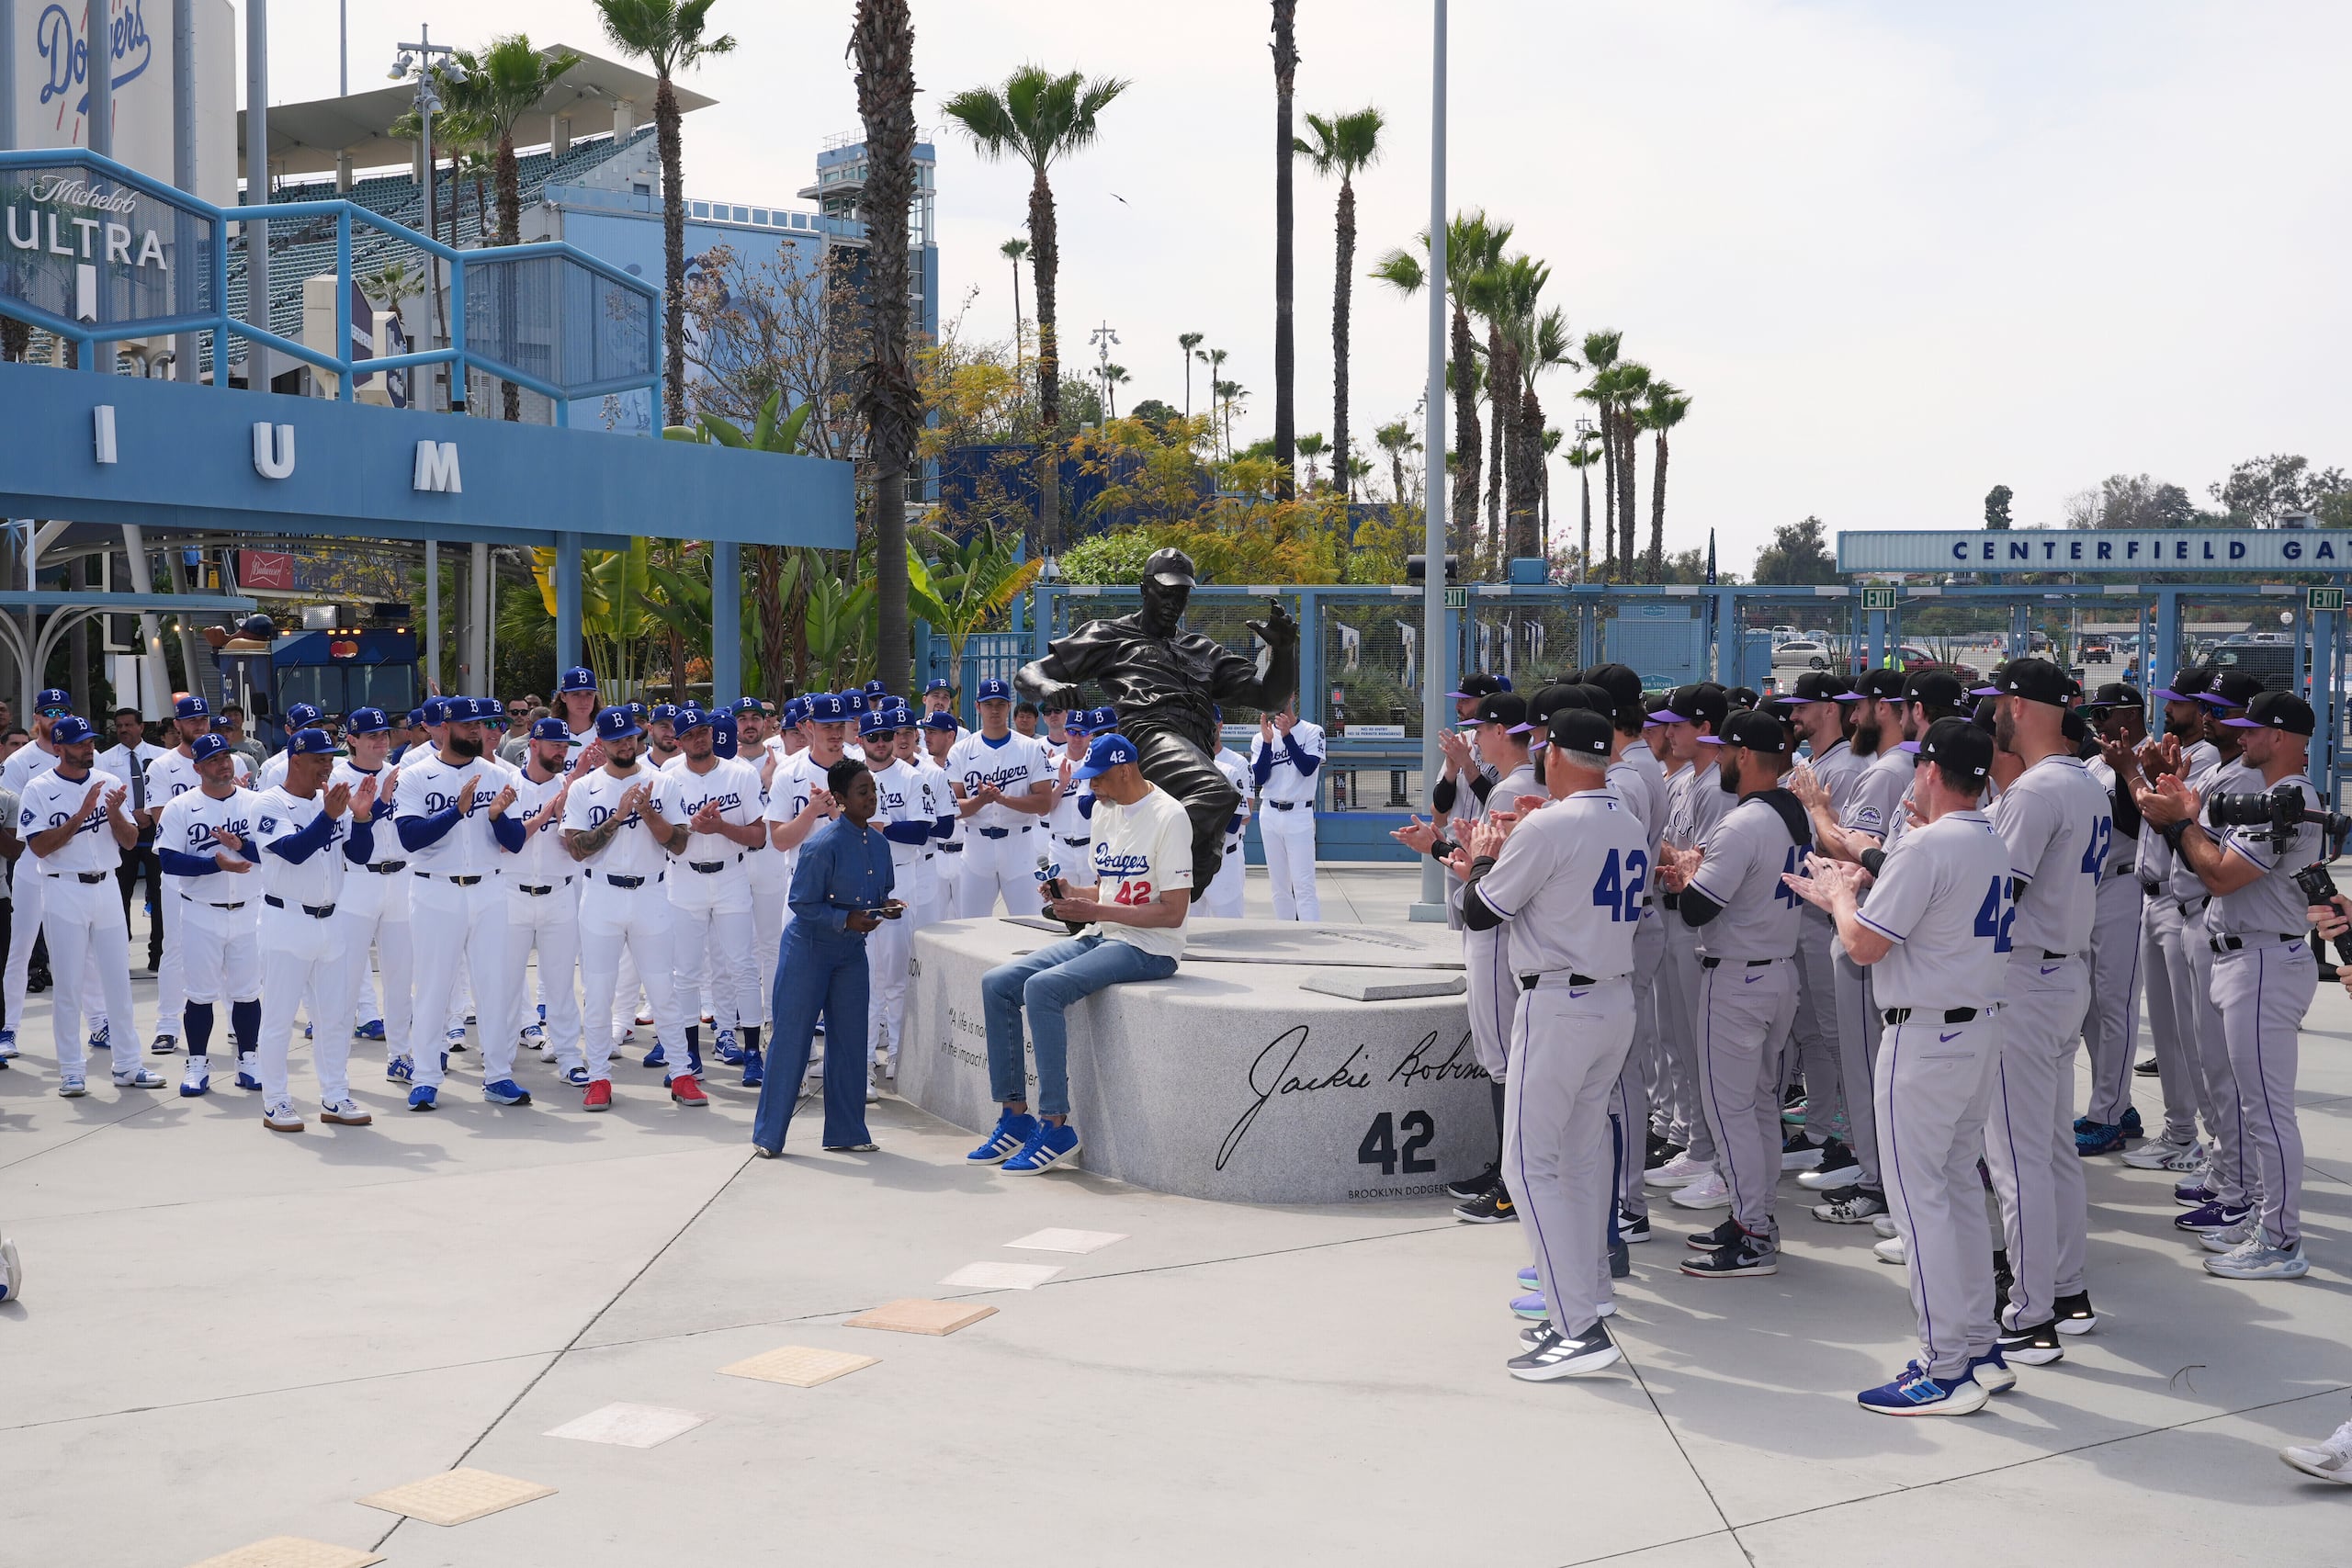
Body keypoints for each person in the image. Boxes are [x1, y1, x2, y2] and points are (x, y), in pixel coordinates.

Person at [1787, 716, 2016, 1415]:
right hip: (1975, 1030)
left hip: (1924, 1039)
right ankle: (1978, 1345)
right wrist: (1860, 883)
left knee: (1922, 1209)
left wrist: (1840, 896)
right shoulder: (1989, 835)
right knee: (1954, 1195)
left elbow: (1863, 946)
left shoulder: (1927, 844)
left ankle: (1945, 1366)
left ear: (1931, 771)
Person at [1444, 706, 1645, 1379]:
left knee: (1528, 1167)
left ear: (1556, 754)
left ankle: (1577, 1328)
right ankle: (1590, 1295)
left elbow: (1481, 910)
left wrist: (1482, 855)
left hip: (1561, 1004)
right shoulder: (1627, 819)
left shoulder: (1554, 825)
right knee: (1581, 1161)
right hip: (1613, 996)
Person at [2138, 689, 2323, 1280]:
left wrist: (2182, 822)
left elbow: (2219, 875)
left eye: (2255, 729)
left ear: (2283, 737)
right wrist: (2185, 814)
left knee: (2267, 1112)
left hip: (2266, 959)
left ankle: (2282, 1240)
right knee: (2253, 1105)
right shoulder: (2270, 795)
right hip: (2246, 958)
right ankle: (2266, 1221)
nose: (2242, 737)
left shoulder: (2290, 797)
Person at [967, 730, 1192, 1177]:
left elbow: (1173, 912)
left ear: (1125, 769)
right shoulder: (1106, 812)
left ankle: (1055, 1124)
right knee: (997, 984)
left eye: (1098, 778)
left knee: (1043, 988)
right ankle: (1015, 1117)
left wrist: (1096, 908)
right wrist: (1071, 893)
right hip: (1103, 932)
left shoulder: (1170, 816)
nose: (1091, 787)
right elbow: (1108, 889)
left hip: (1150, 947)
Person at [1015, 548, 1298, 903]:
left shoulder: (1201, 649)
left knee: (1203, 846)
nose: (1173, 602)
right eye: (1165, 592)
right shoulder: (1111, 635)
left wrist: (1285, 651)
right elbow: (1029, 673)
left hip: (1193, 747)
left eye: (1181, 594)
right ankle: (1135, 883)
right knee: (1217, 793)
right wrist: (1050, 687)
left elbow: (1271, 698)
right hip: (1149, 735)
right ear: (1144, 589)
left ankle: (1114, 896)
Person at [1978, 657, 2109, 1363]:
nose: (1995, 707)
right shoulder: (2081, 780)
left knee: (2016, 1156)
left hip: (2027, 980)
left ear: (2022, 705)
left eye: (2000, 696)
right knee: (2052, 1148)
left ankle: (2031, 1317)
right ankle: (2066, 1290)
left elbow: (1998, 896)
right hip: (2065, 973)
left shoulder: (2034, 791)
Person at [1655, 707, 1809, 1278]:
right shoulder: (1791, 812)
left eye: (1725, 749)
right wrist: (1697, 874)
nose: (1716, 757)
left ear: (1745, 756)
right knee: (1760, 1107)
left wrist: (1690, 875)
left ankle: (1754, 1234)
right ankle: (1756, 1218)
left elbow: (1697, 909)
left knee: (1732, 1113)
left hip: (1740, 977)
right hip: (1776, 971)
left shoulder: (1744, 822)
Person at [754, 757, 899, 1156]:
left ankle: (847, 1131)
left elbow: (880, 892)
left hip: (851, 954)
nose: (871, 798)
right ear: (839, 799)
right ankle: (768, 1136)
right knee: (791, 1041)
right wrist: (845, 918)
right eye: (862, 792)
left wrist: (887, 907)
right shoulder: (821, 845)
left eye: (872, 789)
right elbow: (801, 902)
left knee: (852, 1040)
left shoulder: (880, 843)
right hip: (809, 952)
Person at [564, 704, 702, 1110]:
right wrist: (617, 817)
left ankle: (681, 1074)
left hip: (651, 893)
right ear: (602, 743)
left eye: (631, 737)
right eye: (617, 739)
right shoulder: (583, 787)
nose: (626, 744)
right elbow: (576, 849)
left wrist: (646, 811)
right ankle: (599, 1078)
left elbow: (678, 843)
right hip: (602, 894)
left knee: (663, 989)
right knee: (598, 990)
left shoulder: (662, 782)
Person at [394, 695, 526, 1112]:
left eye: (482, 724)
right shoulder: (414, 775)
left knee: (494, 985)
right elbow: (410, 839)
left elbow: (516, 842)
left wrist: (496, 817)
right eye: (469, 724)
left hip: (488, 888)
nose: (477, 731)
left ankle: (499, 1076)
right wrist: (457, 811)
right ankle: (426, 1078)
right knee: (433, 987)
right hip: (435, 889)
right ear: (445, 727)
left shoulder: (499, 773)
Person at [2120, 668, 2223, 1176]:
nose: (2170, 711)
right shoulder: (2181, 753)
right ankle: (2181, 1131)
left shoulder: (2204, 760)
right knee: (2167, 1032)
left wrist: (2135, 775)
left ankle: (2205, 1143)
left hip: (2188, 902)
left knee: (2192, 1038)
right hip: (2155, 899)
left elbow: (2171, 822)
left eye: (2179, 703)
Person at [251, 729, 377, 1133]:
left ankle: (335, 1095)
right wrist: (331, 816)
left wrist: (361, 818)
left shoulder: (331, 803)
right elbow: (294, 851)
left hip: (331, 920)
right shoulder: (270, 802)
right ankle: (275, 1102)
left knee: (335, 1017)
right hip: (285, 919)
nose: (328, 765)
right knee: (278, 1016)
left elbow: (358, 856)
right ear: (296, 759)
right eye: (320, 758)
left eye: (330, 757)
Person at [20, 716, 151, 1095]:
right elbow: (40, 846)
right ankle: (72, 1071)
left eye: (90, 741)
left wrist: (112, 813)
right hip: (63, 889)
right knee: (69, 985)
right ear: (59, 748)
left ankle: (128, 1064)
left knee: (118, 981)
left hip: (106, 886)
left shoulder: (108, 782)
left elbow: (129, 843)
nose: (88, 747)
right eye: (79, 743)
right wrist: (81, 815)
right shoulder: (39, 788)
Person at [1642, 683, 1733, 1208]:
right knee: (1678, 1042)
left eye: (1678, 723)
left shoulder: (1716, 784)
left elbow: (1705, 869)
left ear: (1704, 728)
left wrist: (1669, 857)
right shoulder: (1687, 779)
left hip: (1700, 928)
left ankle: (1711, 1153)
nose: (1668, 731)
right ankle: (1696, 1143)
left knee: (1702, 1049)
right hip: (1677, 921)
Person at [1774, 671, 1862, 1168]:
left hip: (1834, 916)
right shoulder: (1810, 764)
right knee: (1814, 1033)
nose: (1794, 716)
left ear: (1830, 708)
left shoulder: (1850, 765)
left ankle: (1849, 1141)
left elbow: (1845, 846)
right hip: (1806, 912)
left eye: (1803, 707)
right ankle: (1822, 1131)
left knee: (1837, 1035)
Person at [657, 705, 766, 1086]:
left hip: (731, 875)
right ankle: (689, 1055)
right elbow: (664, 839)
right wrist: (692, 828)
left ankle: (752, 1051)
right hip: (684, 879)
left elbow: (758, 836)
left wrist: (719, 827)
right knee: (684, 972)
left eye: (702, 731)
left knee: (743, 966)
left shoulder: (740, 773)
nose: (698, 739)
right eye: (689, 735)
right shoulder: (667, 776)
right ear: (679, 741)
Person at [142, 695, 254, 1058]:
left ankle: (240, 1030)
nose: (200, 724)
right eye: (192, 719)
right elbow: (163, 821)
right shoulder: (163, 766)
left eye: (205, 718)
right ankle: (167, 1025)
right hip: (185, 880)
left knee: (237, 960)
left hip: (237, 883)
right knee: (175, 951)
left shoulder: (237, 769)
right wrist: (210, 851)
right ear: (178, 724)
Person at [153, 733, 265, 1095]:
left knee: (247, 992)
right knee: (200, 994)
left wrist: (243, 847)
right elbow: (168, 860)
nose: (224, 763)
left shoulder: (256, 803)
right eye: (214, 759)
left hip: (249, 909)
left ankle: (248, 1059)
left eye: (226, 756)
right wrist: (214, 865)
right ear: (198, 767)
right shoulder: (180, 807)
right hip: (201, 912)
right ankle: (197, 1063)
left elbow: (275, 852)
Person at [2074, 682, 2150, 1156]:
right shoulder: (2093, 762)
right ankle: (2117, 1102)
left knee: (2116, 1004)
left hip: (2126, 884)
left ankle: (2108, 1114)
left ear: (2133, 713)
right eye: (2093, 713)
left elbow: (2136, 824)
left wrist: (2128, 770)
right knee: (2090, 1008)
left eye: (2105, 712)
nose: (2097, 721)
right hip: (2091, 888)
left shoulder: (2154, 756)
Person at [498, 716, 589, 1085]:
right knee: (504, 982)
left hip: (559, 892)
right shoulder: (505, 785)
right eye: (556, 746)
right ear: (533, 745)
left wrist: (567, 806)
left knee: (561, 982)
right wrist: (546, 813)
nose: (562, 752)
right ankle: (500, 1061)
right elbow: (506, 842)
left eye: (565, 747)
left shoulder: (574, 790)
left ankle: (568, 1056)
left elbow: (577, 847)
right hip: (511, 893)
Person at [327, 709, 413, 1071]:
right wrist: (379, 803)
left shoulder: (402, 774)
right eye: (372, 735)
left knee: (400, 976)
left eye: (385, 734)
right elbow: (348, 835)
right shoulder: (337, 777)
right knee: (345, 979)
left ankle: (400, 1056)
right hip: (357, 879)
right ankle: (336, 1067)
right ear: (352, 740)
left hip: (401, 878)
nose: (381, 741)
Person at [865, 708, 946, 1089]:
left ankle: (898, 1052)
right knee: (863, 977)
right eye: (874, 737)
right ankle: (865, 1058)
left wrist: (880, 827)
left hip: (900, 878)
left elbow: (920, 833)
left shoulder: (913, 776)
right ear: (862, 740)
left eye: (887, 736)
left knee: (896, 973)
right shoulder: (851, 776)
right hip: (859, 881)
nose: (882, 743)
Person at [945, 678, 1057, 917]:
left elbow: (1044, 803)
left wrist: (1004, 799)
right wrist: (981, 800)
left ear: (1009, 706)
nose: (994, 710)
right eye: (988, 704)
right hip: (977, 846)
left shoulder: (1030, 748)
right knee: (972, 927)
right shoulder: (961, 750)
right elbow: (952, 807)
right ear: (978, 707)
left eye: (1000, 704)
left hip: (1020, 844)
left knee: (1030, 923)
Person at [96, 707, 166, 972]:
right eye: (119, 726)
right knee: (120, 894)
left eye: (128, 725)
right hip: (122, 832)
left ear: (141, 727)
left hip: (155, 829)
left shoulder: (161, 757)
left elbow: (166, 792)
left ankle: (158, 953)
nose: (124, 730)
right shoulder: (104, 760)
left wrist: (147, 812)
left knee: (159, 894)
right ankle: (119, 952)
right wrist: (130, 815)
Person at [1250, 694, 1326, 921]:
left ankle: (1312, 940)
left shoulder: (1313, 731)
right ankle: (1286, 932)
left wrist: (1287, 736)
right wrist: (1266, 743)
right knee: (1279, 886)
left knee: (1303, 885)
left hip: (1299, 813)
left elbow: (1307, 768)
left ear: (1292, 696)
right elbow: (1259, 777)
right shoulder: (1261, 737)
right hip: (1270, 812)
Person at [1204, 711, 1253, 918]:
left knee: (1230, 924)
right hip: (1194, 858)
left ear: (1220, 725)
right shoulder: (1184, 762)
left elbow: (1244, 816)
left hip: (1227, 852)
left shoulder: (1234, 765)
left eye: (1212, 724)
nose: (1208, 729)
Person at [554, 667, 601, 763]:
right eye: (576, 694)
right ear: (563, 697)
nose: (583, 701)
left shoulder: (607, 733)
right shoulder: (548, 732)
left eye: (589, 694)